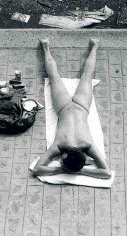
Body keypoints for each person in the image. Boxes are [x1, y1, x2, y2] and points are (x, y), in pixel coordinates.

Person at [32, 38, 111, 179]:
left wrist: (68, 169)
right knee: (55, 77)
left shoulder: (87, 145)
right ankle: (46, 47)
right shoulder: (61, 145)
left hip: (80, 107)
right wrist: (76, 171)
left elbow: (37, 170)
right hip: (65, 108)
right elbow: (106, 173)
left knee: (86, 77)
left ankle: (95, 45)